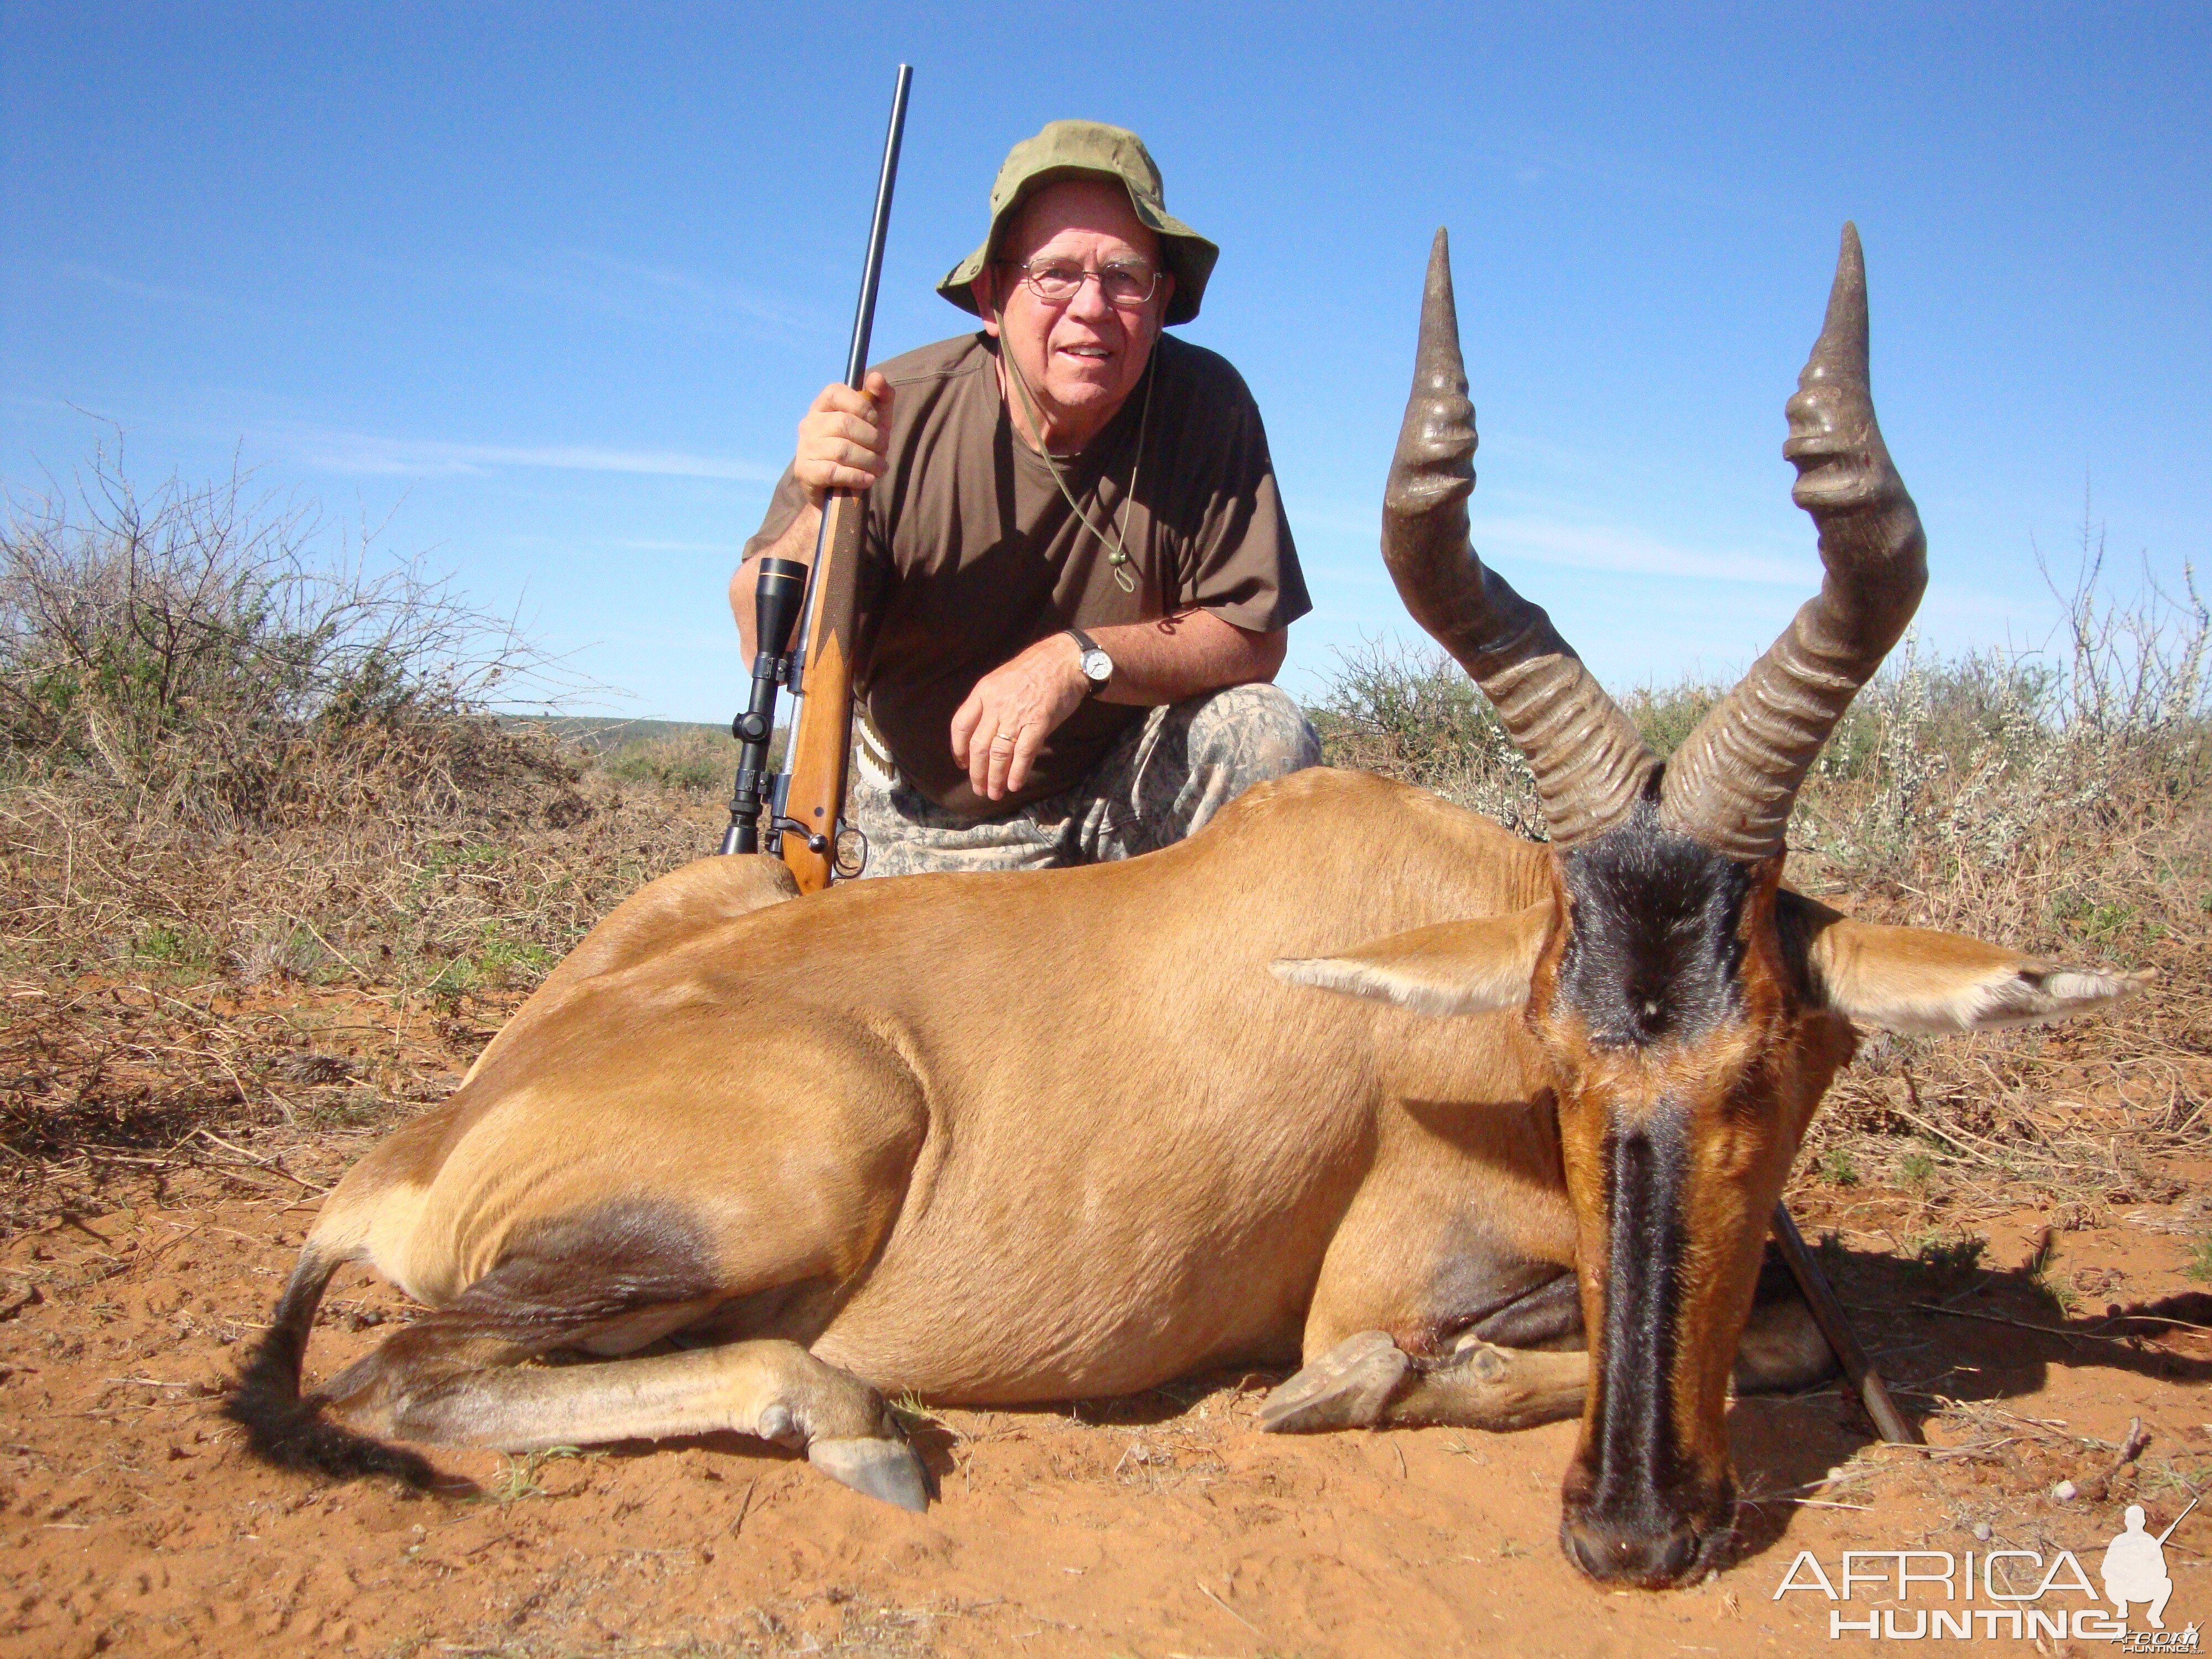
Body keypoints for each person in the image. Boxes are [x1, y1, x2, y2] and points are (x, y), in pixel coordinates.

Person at [732, 120, 1320, 877]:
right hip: (925, 816)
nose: (1092, 307)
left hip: (1120, 804)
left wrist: (1078, 660)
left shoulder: (1208, 405)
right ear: (991, 295)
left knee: (1263, 733)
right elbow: (764, 641)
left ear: (1163, 294)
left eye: (1125, 275)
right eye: (1056, 274)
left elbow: (1255, 637)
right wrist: (818, 508)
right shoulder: (888, 411)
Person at [2101, 1504, 2174, 1628]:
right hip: (2123, 1588)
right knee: (2110, 1582)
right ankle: (2122, 1606)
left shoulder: (2151, 1542)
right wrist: (2123, 1574)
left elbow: (2162, 1571)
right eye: (2131, 1520)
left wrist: (2148, 1568)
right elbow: (2106, 1570)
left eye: (2137, 1520)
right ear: (2126, 1522)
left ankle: (2154, 1615)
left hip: (2144, 1588)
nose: (2134, 1524)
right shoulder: (2119, 1541)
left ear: (2143, 1522)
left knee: (2166, 1583)